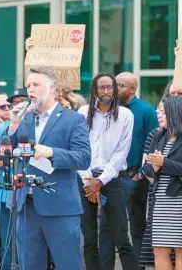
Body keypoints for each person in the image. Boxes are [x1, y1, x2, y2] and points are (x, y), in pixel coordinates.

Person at [5, 66, 91, 270]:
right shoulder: (23, 118)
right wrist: (12, 126)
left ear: (52, 89)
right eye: (28, 86)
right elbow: (3, 155)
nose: (30, 90)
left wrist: (51, 152)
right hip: (26, 205)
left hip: (60, 207)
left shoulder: (73, 119)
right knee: (29, 265)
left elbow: (84, 158)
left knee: (68, 264)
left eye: (36, 85)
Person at [95, 71, 156, 270]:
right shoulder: (106, 110)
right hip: (109, 178)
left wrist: (141, 172)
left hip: (134, 178)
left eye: (121, 85)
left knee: (136, 226)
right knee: (106, 228)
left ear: (133, 89)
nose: (116, 88)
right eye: (115, 84)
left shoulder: (146, 111)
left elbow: (152, 142)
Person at [77, 72, 138, 270]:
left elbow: (121, 152)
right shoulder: (83, 112)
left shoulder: (126, 115)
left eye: (109, 87)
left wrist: (101, 181)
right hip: (85, 179)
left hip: (111, 179)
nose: (105, 91)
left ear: (115, 90)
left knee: (122, 238)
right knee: (89, 240)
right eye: (101, 87)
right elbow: (78, 147)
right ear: (94, 89)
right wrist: (89, 181)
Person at [142, 95, 182, 270]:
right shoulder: (158, 135)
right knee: (159, 250)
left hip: (181, 202)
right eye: (158, 111)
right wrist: (155, 167)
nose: (158, 114)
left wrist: (163, 163)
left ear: (174, 112)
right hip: (159, 200)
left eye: (162, 111)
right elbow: (146, 168)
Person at [0, 88, 28, 270]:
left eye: (24, 101)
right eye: (15, 102)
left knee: (30, 245)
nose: (19, 105)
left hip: (32, 196)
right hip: (6, 195)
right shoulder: (4, 127)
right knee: (8, 246)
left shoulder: (38, 123)